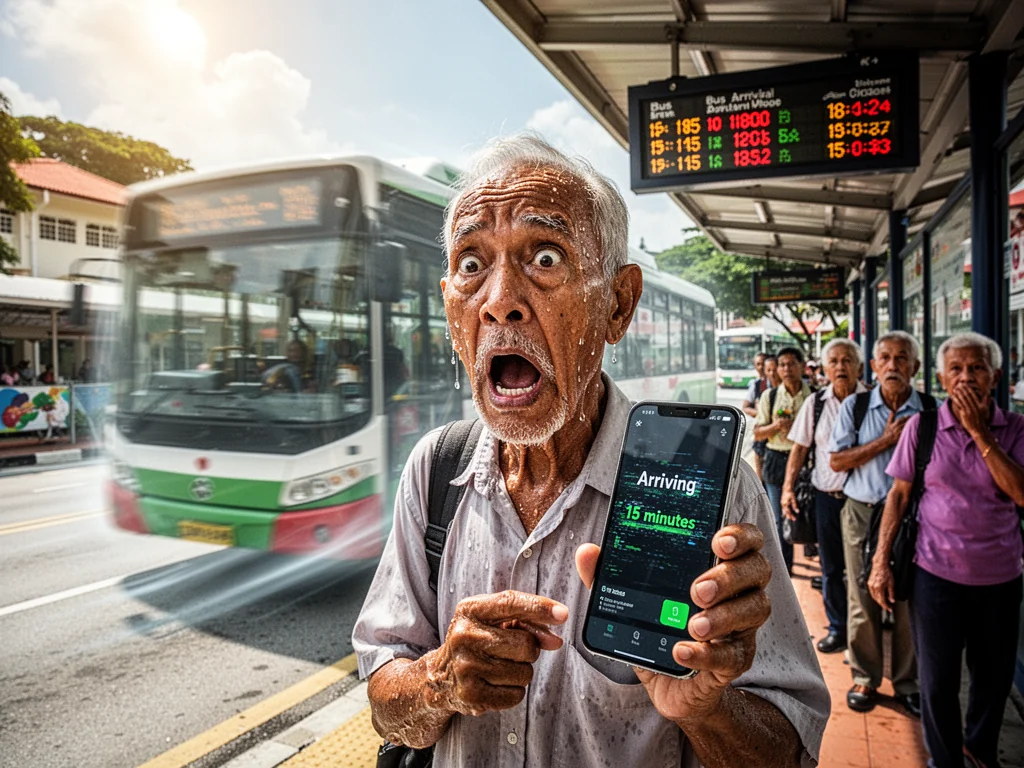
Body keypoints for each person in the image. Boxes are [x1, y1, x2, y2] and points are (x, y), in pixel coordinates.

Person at [352, 134, 829, 767]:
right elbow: (387, 704)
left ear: (618, 305)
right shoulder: (435, 472)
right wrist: (438, 682)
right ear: (450, 310)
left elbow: (786, 751)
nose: (498, 300)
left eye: (545, 257)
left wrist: (704, 709)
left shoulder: (712, 487)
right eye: (471, 264)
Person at [870, 332, 1024, 768]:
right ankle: (943, 758)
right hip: (934, 577)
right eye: (955, 369)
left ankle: (979, 747)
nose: (965, 378)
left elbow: (1021, 493)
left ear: (994, 376)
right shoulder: (923, 427)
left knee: (992, 680)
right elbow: (898, 497)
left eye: (976, 368)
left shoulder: (1015, 429)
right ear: (939, 377)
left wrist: (978, 432)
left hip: (1000, 577)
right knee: (937, 681)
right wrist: (881, 561)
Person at [828, 330, 930, 716]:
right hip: (861, 511)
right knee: (860, 596)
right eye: (884, 359)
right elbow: (836, 462)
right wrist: (886, 441)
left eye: (901, 358)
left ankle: (906, 682)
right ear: (872, 366)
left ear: (915, 367)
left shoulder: (931, 411)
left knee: (907, 600)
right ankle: (865, 676)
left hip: (912, 518)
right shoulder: (855, 407)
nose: (892, 366)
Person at [781, 339, 867, 654]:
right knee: (831, 568)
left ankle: (863, 635)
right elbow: (800, 449)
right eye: (835, 361)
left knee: (862, 570)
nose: (841, 367)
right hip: (825, 499)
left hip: (864, 501)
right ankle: (838, 628)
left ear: (859, 366)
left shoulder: (872, 401)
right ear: (826, 368)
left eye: (848, 361)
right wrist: (788, 488)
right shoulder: (816, 403)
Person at [753, 346, 812, 575]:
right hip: (776, 459)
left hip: (806, 462)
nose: (787, 369)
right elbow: (757, 433)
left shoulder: (813, 396)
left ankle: (812, 550)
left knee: (809, 512)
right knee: (778, 519)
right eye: (783, 364)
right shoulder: (771, 396)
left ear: (802, 366)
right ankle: (785, 569)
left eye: (792, 364)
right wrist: (776, 426)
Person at [742, 352, 769, 480]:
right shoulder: (756, 385)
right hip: (762, 430)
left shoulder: (778, 383)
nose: (761, 367)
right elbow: (745, 407)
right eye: (758, 364)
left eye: (763, 363)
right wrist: (761, 412)